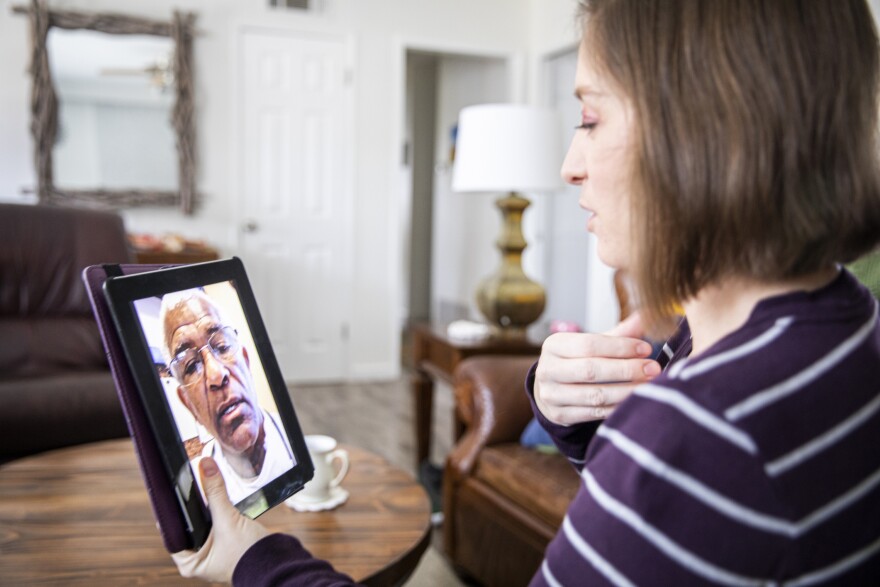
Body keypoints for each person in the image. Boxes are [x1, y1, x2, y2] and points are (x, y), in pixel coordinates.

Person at [172, 0, 880, 584]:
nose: (570, 165)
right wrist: (569, 415)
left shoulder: (703, 434)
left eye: (591, 118)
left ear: (710, 134)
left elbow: (680, 478)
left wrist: (254, 561)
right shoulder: (850, 324)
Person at [161, 289, 295, 506]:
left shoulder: (293, 439)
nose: (216, 375)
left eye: (221, 346)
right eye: (191, 365)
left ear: (246, 362)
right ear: (188, 404)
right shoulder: (197, 489)